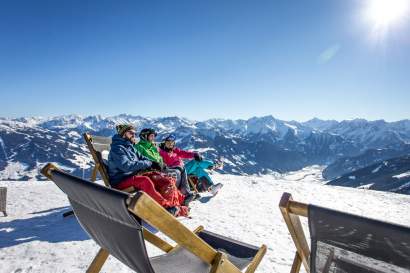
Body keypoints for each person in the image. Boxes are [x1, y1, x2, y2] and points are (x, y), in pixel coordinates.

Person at [107, 124, 188, 216]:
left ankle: (176, 204)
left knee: (161, 178)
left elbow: (143, 158)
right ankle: (165, 207)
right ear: (123, 134)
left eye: (134, 133)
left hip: (133, 176)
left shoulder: (130, 147)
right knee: (144, 181)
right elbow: (126, 166)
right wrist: (148, 163)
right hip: (121, 180)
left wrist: (152, 162)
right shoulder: (117, 148)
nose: (133, 135)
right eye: (130, 133)